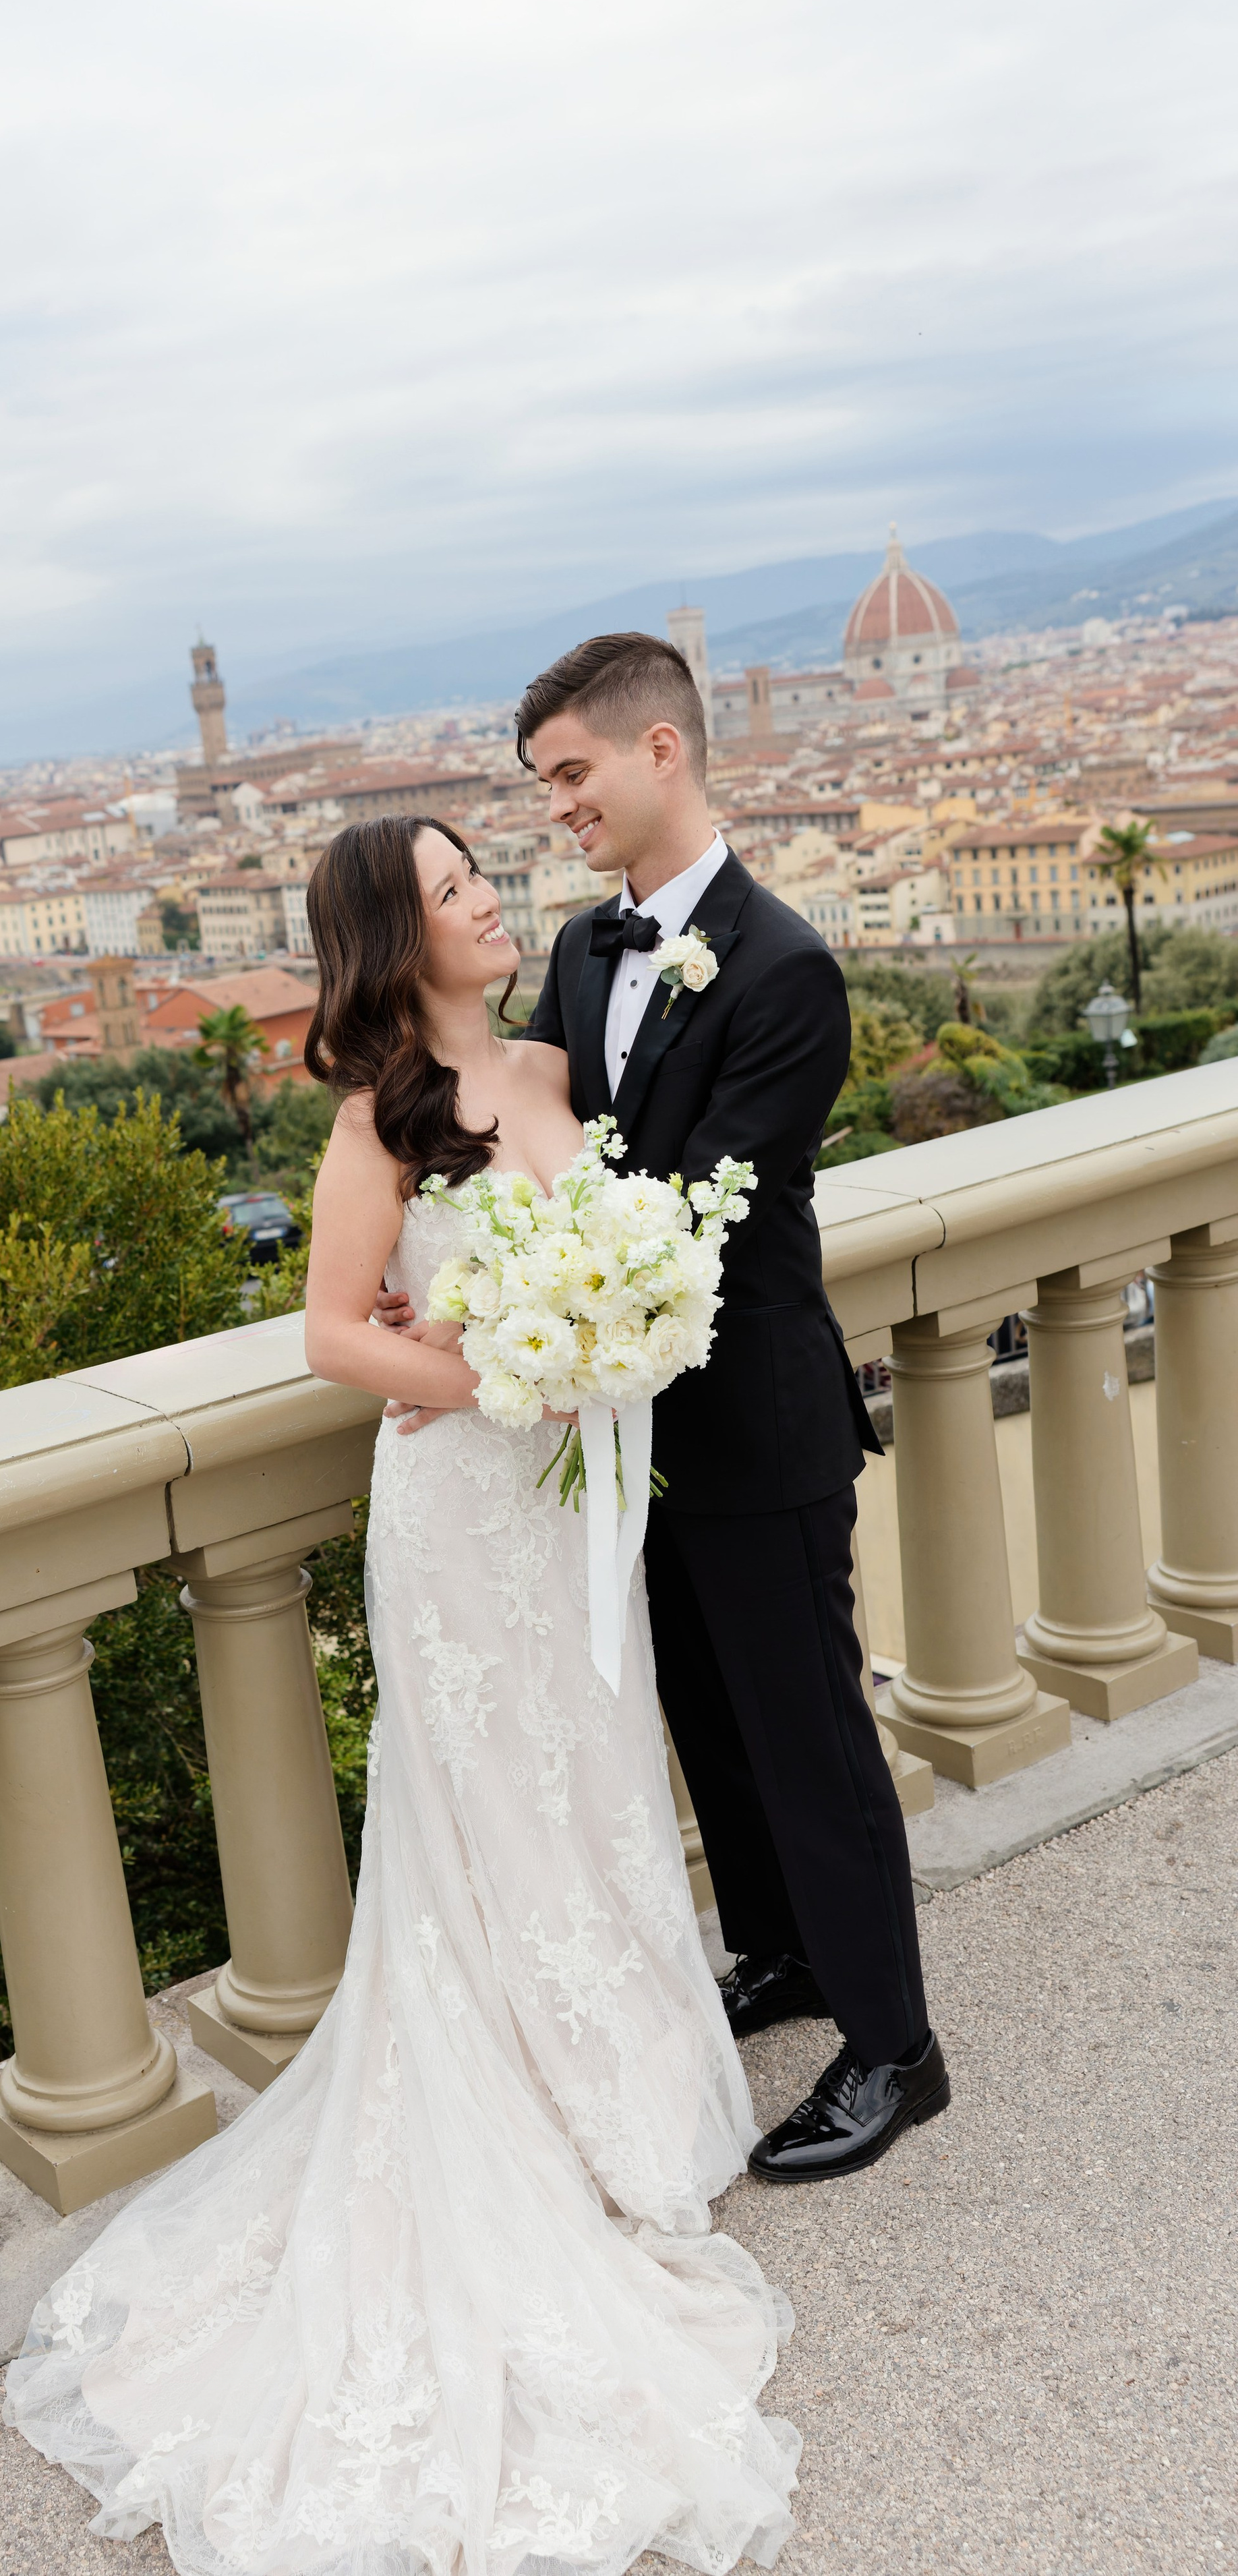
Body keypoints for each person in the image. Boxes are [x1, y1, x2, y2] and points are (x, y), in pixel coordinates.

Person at [5, 810, 800, 2575]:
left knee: (594, 1782)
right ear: (392, 934)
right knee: (487, 1815)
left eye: (483, 878)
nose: (488, 902)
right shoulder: (381, 1118)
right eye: (452, 891)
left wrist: (625, 1320)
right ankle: (525, 2124)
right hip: (462, 1517)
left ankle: (622, 2103)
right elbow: (331, 1330)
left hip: (570, 1500)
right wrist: (489, 1358)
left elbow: (618, 1245)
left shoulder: (542, 1067)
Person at [502, 631, 946, 2182]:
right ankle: (782, 1953)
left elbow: (709, 1212)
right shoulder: (576, 952)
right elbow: (535, 1140)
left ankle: (894, 2042)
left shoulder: (784, 967)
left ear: (659, 752)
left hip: (753, 1419)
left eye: (570, 772)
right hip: (634, 1432)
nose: (557, 805)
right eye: (544, 782)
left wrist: (542, 1288)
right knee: (709, 1719)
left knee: (809, 1731)